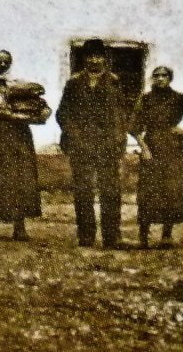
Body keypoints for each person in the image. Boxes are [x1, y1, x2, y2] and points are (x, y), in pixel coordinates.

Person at [55, 40, 132, 249]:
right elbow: (63, 114)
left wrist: (118, 140)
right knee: (83, 191)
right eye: (90, 56)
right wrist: (75, 136)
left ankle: (112, 236)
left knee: (110, 191)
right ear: (84, 59)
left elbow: (121, 115)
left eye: (98, 56)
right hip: (81, 145)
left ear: (104, 59)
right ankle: (86, 235)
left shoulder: (113, 81)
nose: (94, 60)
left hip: (107, 146)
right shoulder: (74, 83)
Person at [0, 49, 50, 240]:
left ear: (10, 63)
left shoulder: (21, 85)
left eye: (6, 62)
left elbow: (43, 108)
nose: (2, 65)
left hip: (19, 139)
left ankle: (19, 228)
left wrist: (35, 115)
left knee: (19, 179)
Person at [132, 65, 183, 248]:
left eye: (164, 75)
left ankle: (166, 236)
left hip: (174, 148)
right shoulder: (145, 99)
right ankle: (143, 236)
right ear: (153, 78)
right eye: (157, 75)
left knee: (171, 190)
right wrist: (144, 148)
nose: (160, 78)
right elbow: (134, 127)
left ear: (170, 78)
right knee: (148, 190)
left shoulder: (180, 99)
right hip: (152, 145)